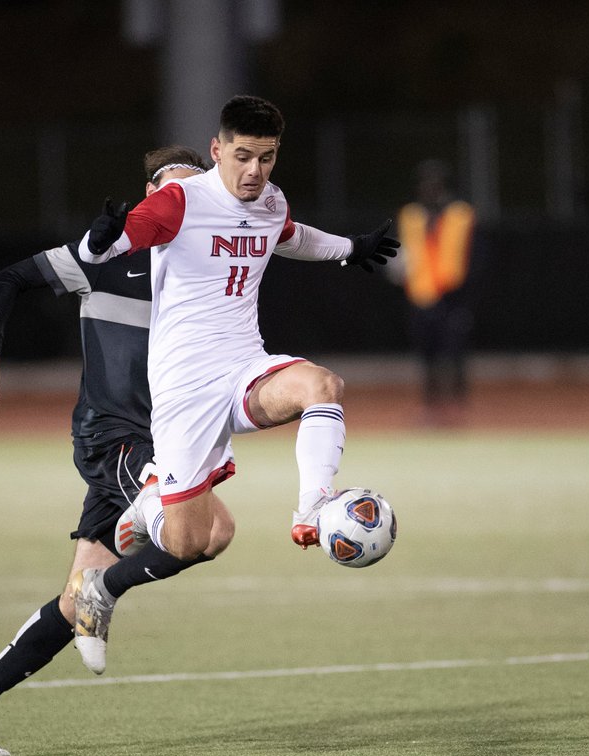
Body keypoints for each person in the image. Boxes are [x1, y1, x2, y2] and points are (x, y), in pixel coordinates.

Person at [69, 94, 399, 675]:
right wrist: (101, 240)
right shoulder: (180, 201)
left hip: (244, 366)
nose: (254, 172)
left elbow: (290, 234)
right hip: (184, 392)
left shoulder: (269, 200)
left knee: (321, 385)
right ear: (217, 151)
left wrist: (352, 250)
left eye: (267, 158)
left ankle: (312, 510)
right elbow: (120, 240)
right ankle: (105, 584)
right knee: (192, 541)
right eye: (243, 157)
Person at [0, 145, 211, 756]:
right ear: (150, 196)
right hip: (112, 436)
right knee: (202, 529)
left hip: (155, 442)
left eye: (197, 190)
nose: (184, 201)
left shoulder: (208, 273)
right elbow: (9, 278)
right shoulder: (108, 255)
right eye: (172, 189)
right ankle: (102, 594)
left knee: (72, 598)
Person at [391, 159, 479, 422]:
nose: (430, 188)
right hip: (420, 296)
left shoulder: (461, 214)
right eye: (425, 183)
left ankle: (458, 409)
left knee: (455, 352)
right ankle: (430, 407)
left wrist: (470, 296)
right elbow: (401, 253)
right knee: (426, 354)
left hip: (454, 296)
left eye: (435, 183)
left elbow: (476, 257)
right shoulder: (410, 215)